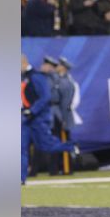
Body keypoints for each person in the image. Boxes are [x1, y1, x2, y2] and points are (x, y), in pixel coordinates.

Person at [21, 54, 77, 184]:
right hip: (25, 119)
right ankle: (21, 177)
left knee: (45, 146)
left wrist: (32, 110)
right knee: (21, 148)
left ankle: (71, 147)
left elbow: (45, 97)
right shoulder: (24, 77)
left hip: (38, 118)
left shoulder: (36, 76)